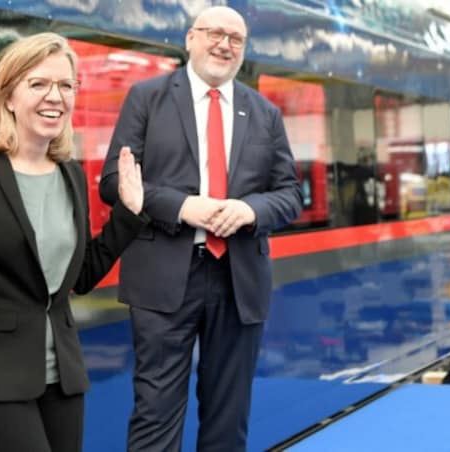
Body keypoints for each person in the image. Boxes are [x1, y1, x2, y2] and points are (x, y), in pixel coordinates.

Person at [0, 32, 147, 452]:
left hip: (61, 374)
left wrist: (128, 215)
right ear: (8, 98)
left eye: (65, 85)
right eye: (38, 84)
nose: (55, 96)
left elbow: (82, 275)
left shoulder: (69, 174)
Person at [99, 6, 302, 451]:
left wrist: (250, 211)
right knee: (155, 412)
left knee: (229, 418)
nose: (225, 44)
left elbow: (290, 195)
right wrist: (183, 206)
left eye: (236, 39)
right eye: (215, 33)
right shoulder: (146, 98)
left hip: (239, 279)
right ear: (190, 38)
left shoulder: (265, 113)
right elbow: (114, 183)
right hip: (163, 275)